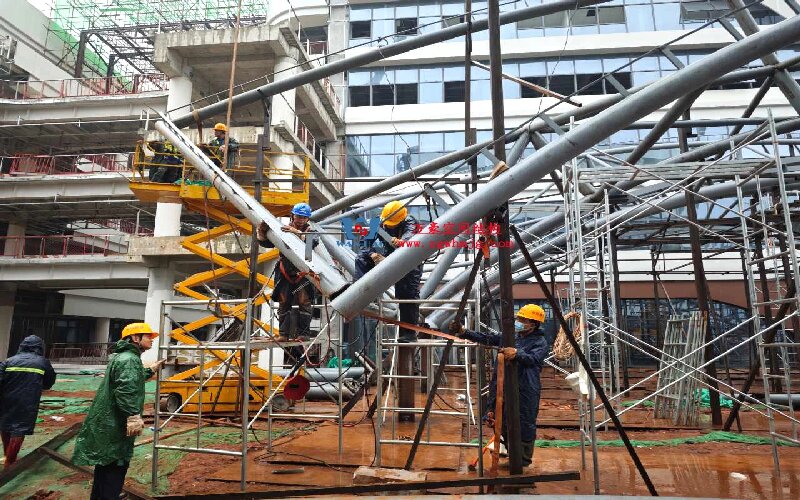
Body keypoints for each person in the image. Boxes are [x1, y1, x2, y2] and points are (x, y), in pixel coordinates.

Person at [72, 323, 164, 500]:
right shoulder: (129, 360)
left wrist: (151, 370)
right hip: (116, 422)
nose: (152, 340)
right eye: (148, 336)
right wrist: (133, 415)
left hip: (110, 421)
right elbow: (126, 390)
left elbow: (131, 378)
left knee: (105, 465)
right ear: (135, 338)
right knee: (115, 465)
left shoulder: (123, 357)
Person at [450, 303, 549, 467]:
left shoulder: (540, 342)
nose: (519, 322)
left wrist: (517, 353)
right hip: (503, 384)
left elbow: (534, 359)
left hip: (525, 387)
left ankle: (523, 459)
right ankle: (511, 453)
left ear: (533, 324)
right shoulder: (512, 336)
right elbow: (487, 338)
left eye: (523, 320)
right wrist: (464, 332)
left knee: (524, 422)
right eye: (519, 318)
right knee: (501, 419)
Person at [355, 200, 422, 343]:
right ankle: (362, 291)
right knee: (361, 258)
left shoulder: (410, 222)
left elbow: (410, 236)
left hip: (408, 260)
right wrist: (372, 254)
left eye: (392, 224)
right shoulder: (379, 221)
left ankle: (409, 333)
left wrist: (402, 242)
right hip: (388, 258)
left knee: (407, 295)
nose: (389, 226)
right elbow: (365, 243)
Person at [257, 202, 319, 353]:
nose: (300, 220)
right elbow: (268, 243)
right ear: (293, 215)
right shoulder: (282, 229)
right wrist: (261, 233)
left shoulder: (311, 231)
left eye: (303, 218)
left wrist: (295, 232)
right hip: (285, 270)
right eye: (298, 216)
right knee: (284, 302)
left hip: (303, 272)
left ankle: (303, 334)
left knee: (304, 302)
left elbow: (311, 244)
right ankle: (283, 334)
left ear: (307, 218)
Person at [0, 335, 56, 470]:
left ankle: (8, 455)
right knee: (19, 429)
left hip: (6, 399)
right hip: (27, 400)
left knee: (5, 425)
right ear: (39, 348)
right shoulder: (42, 362)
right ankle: (10, 463)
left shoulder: (9, 361)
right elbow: (49, 382)